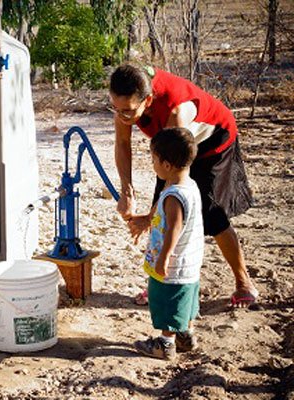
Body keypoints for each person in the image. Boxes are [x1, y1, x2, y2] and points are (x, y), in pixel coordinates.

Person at [109, 64, 258, 308]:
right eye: (115, 108)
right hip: (172, 144)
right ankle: (162, 283)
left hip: (213, 141)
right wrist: (127, 192)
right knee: (164, 212)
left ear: (147, 100)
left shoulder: (175, 110)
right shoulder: (127, 100)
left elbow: (174, 175)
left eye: (127, 111)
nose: (121, 116)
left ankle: (244, 283)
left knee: (211, 215)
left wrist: (149, 216)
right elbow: (123, 144)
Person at [133, 127, 203, 360]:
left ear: (166, 165)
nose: (152, 164)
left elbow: (173, 228)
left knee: (167, 300)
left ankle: (165, 344)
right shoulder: (189, 186)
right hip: (190, 262)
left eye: (153, 159)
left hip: (173, 264)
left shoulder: (173, 196)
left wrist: (164, 257)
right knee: (185, 299)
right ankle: (186, 334)